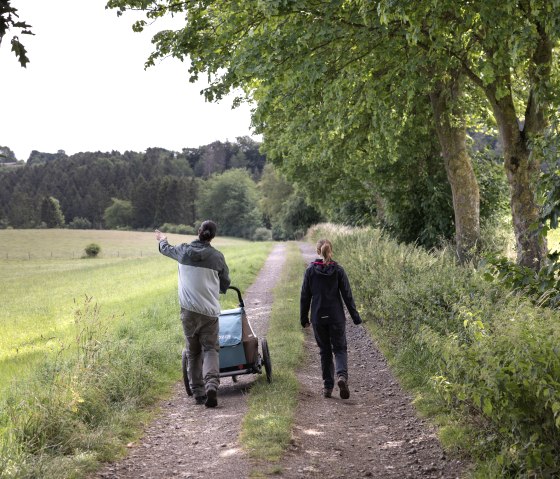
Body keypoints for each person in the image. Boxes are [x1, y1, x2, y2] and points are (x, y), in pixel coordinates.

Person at [155, 220, 230, 408]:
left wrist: (162, 239)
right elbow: (225, 283)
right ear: (212, 236)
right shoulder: (217, 257)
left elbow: (165, 249)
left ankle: (199, 392)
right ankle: (212, 384)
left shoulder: (183, 251)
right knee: (211, 349)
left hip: (188, 312)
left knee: (193, 352)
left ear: (199, 232)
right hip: (209, 313)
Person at [300, 238, 362, 399]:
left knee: (325, 351)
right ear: (330, 251)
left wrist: (303, 318)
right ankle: (342, 376)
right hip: (336, 317)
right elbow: (347, 295)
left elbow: (305, 296)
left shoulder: (310, 271)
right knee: (340, 349)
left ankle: (328, 387)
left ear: (317, 251)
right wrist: (355, 317)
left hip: (318, 317)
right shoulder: (338, 270)